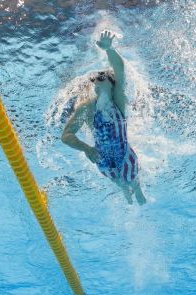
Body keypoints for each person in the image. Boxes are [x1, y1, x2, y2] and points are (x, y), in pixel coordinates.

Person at [61, 30, 147, 205]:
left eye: (104, 76)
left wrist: (109, 49)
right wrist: (86, 148)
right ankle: (124, 189)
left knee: (131, 177)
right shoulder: (86, 108)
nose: (99, 77)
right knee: (117, 180)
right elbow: (67, 135)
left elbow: (120, 69)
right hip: (101, 159)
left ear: (112, 83)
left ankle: (137, 188)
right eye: (96, 77)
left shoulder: (118, 100)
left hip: (125, 154)